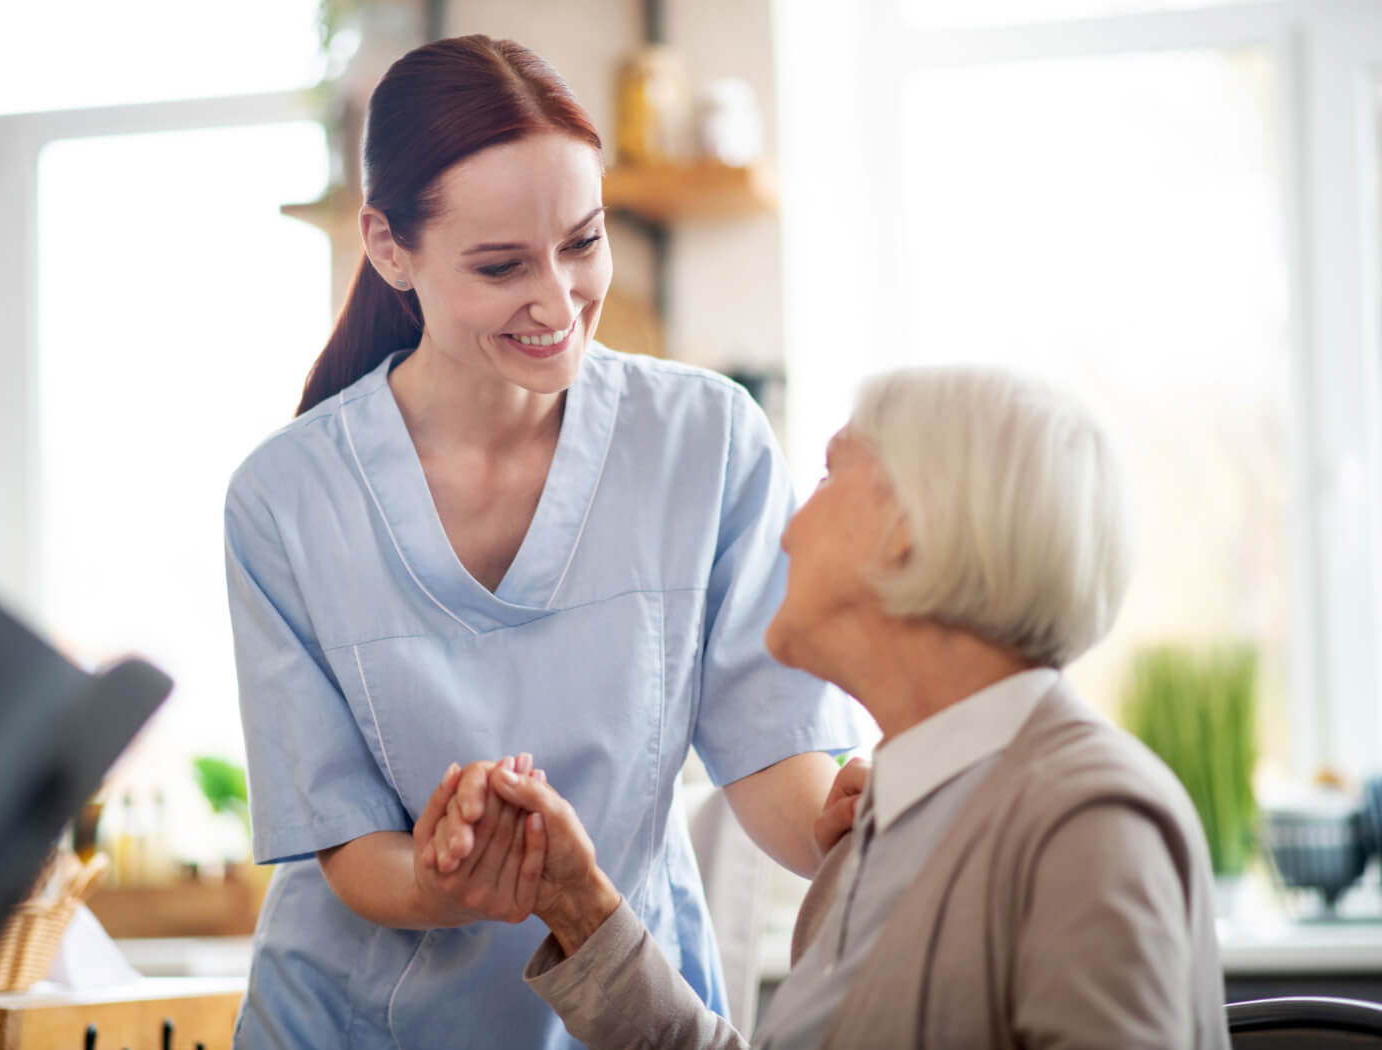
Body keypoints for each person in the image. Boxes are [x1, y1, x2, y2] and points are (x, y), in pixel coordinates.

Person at [222, 35, 856, 1050]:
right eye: (501, 265)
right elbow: (345, 852)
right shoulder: (285, 499)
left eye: (583, 241)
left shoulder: (706, 442)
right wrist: (447, 879)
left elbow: (774, 756)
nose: (559, 303)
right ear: (388, 247)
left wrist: (851, 825)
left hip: (625, 1022)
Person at [461, 366, 1231, 1049]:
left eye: (828, 478)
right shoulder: (881, 826)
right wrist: (578, 905)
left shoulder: (1089, 823)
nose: (789, 531)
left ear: (908, 526)